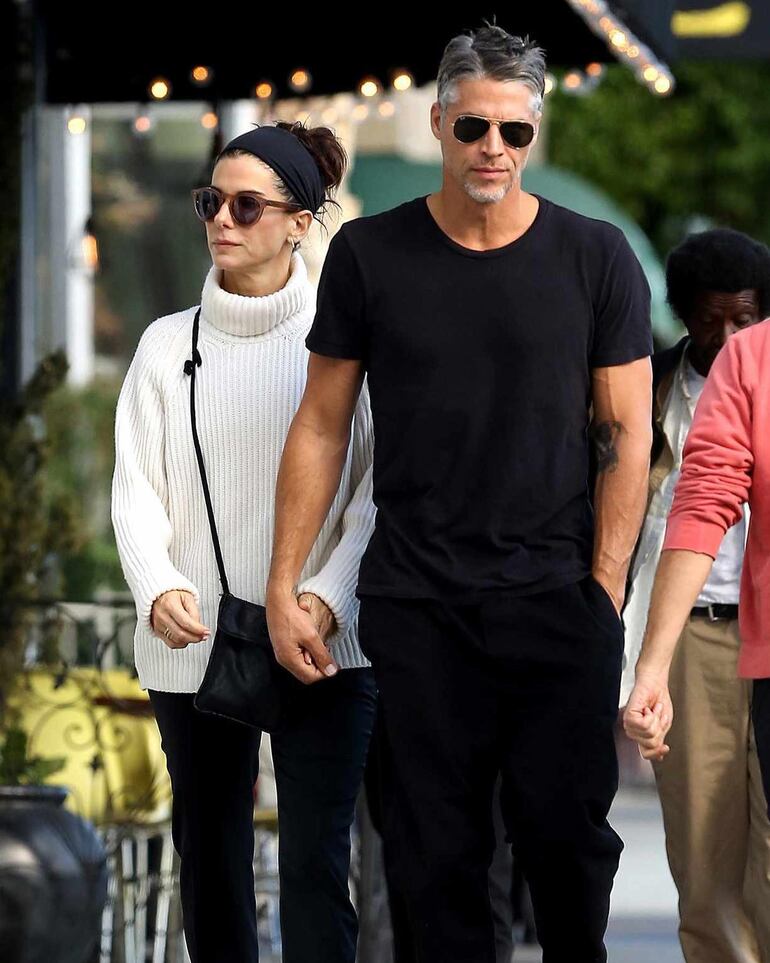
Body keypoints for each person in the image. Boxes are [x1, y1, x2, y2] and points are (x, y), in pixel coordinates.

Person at [266, 23, 653, 963]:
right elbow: (320, 424)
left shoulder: (596, 255)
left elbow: (627, 431)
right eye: (474, 126)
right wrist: (285, 583)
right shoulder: (370, 253)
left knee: (567, 852)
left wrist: (604, 591)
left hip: (556, 601)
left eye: (515, 132)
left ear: (533, 133)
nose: (493, 149)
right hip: (419, 606)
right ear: (440, 122)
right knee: (432, 860)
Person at [111, 122, 376, 963]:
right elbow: (135, 484)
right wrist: (157, 583)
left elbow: (374, 492)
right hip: (195, 640)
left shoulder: (345, 342)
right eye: (211, 202)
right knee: (210, 862)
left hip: (324, 642)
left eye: (247, 205)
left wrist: (326, 597)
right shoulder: (165, 346)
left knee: (314, 864)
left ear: (299, 221)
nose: (223, 220)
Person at [622, 228, 770, 962]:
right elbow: (690, 506)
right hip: (694, 633)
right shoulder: (647, 391)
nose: (730, 337)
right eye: (713, 321)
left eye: (746, 317)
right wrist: (645, 663)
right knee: (704, 852)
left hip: (762, 630)